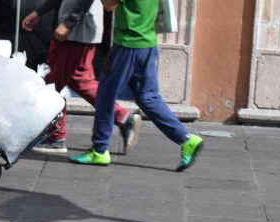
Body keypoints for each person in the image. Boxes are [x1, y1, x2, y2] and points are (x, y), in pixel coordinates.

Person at [69, 0, 203, 171]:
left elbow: (109, 5)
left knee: (105, 97)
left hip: (127, 45)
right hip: (147, 43)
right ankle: (186, 139)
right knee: (148, 97)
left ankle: (99, 150)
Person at [22, 0, 141, 154]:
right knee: (79, 80)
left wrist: (68, 23)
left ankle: (56, 136)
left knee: (53, 84)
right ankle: (123, 118)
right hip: (77, 30)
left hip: (74, 31)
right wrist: (40, 12)